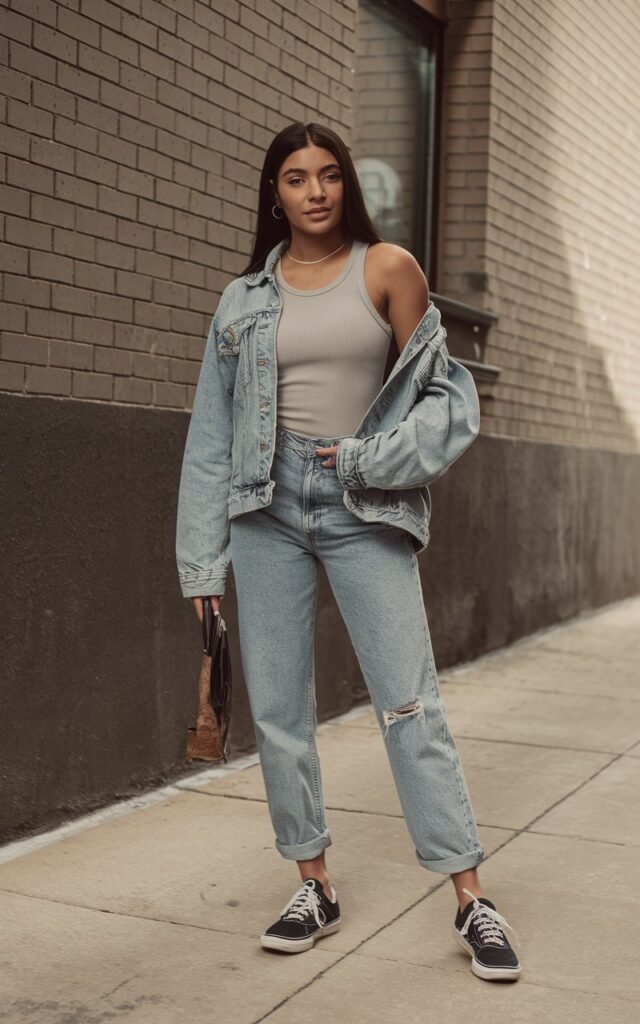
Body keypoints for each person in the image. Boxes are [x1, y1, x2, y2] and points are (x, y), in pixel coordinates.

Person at [175, 122, 521, 982]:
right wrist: (201, 563)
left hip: (361, 497)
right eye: (297, 178)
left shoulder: (388, 269)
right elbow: (211, 436)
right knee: (280, 711)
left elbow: (446, 401)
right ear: (275, 194)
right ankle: (313, 884)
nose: (316, 191)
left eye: (328, 175)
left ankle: (471, 897)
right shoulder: (241, 300)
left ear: (346, 186)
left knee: (409, 703)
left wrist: (370, 459)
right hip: (264, 507)